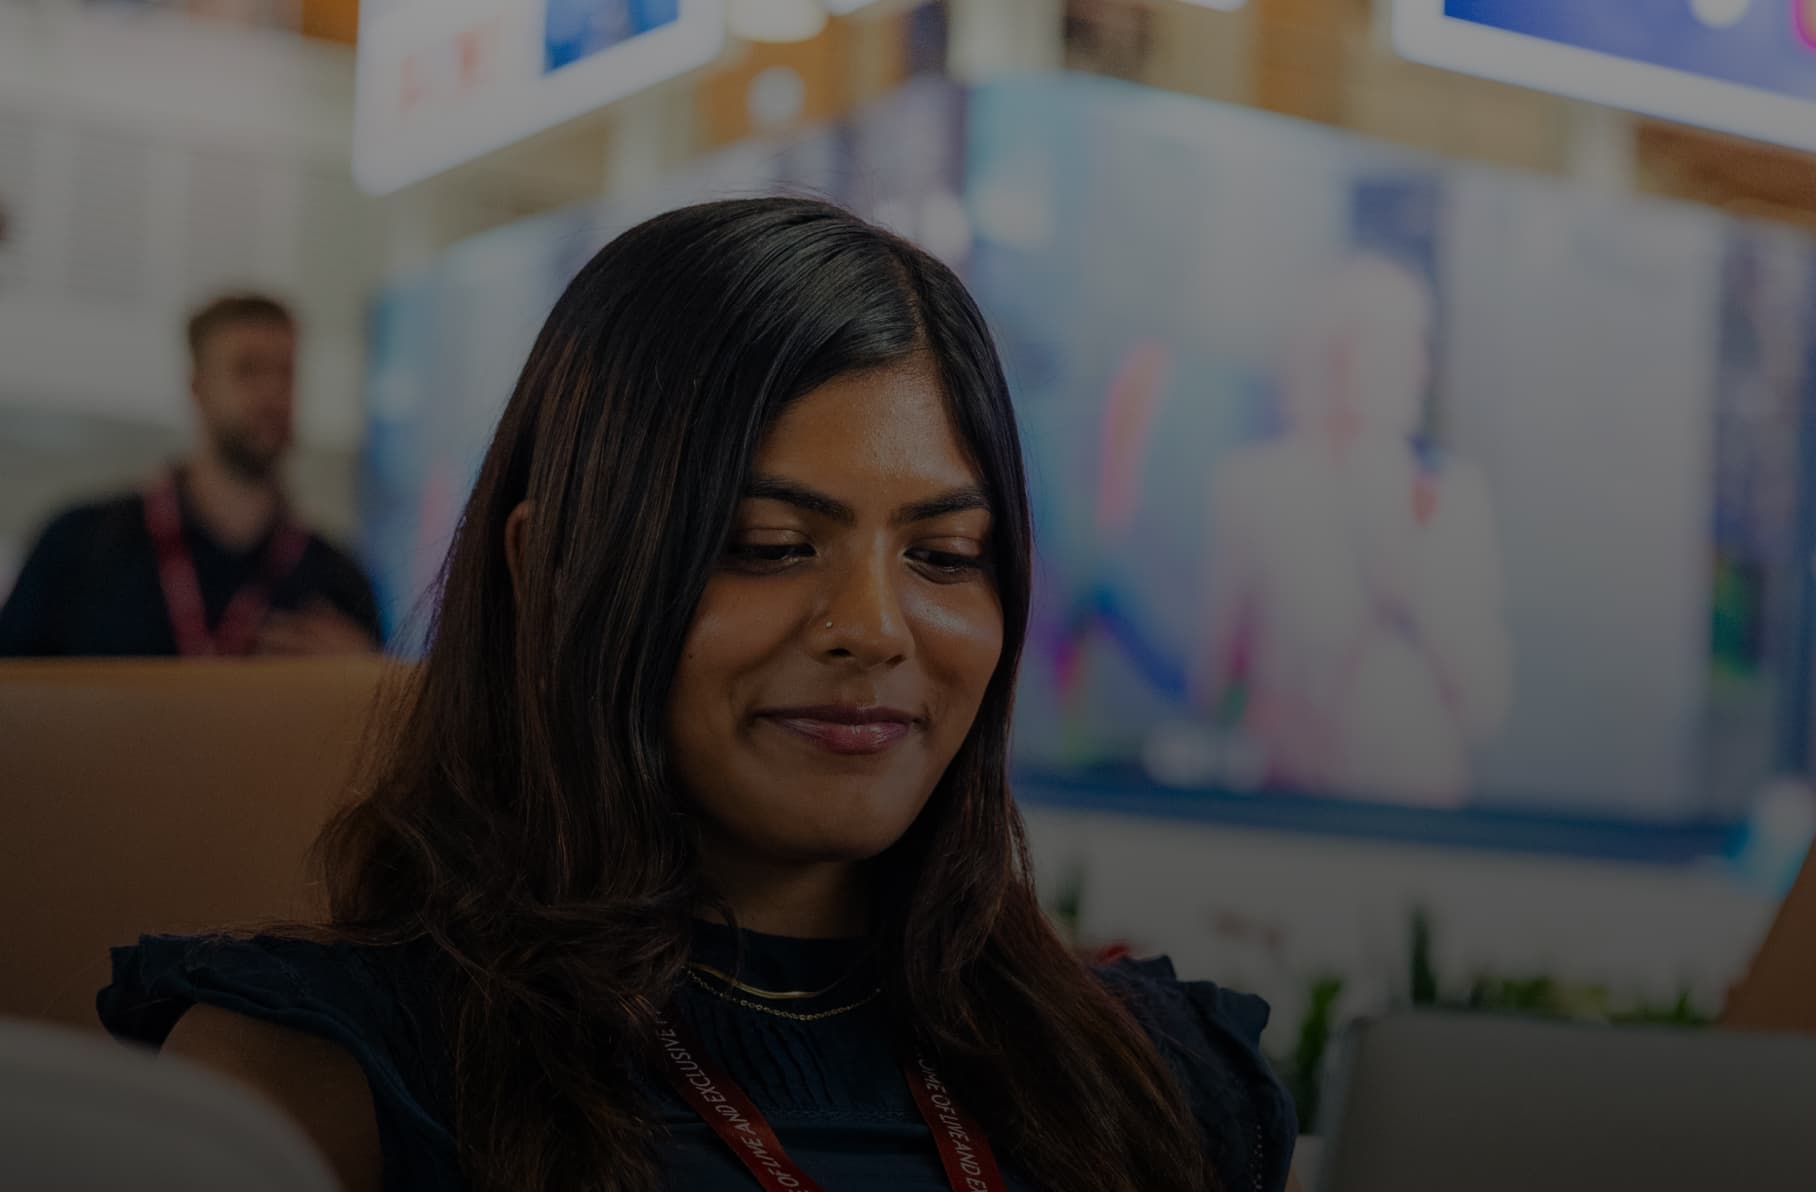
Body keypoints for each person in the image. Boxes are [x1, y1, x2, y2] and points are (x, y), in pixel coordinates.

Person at [99, 200, 1295, 1192]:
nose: (875, 629)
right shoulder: (325, 1084)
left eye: (944, 556)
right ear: (547, 572)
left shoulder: (1153, 1083)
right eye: (770, 544)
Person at [1191, 250, 1514, 808]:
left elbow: (1486, 707)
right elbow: (1214, 687)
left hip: (1423, 824)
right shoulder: (1253, 490)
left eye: (1419, 346)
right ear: (1334, 355)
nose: (1418, 368)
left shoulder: (1450, 497)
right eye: (1397, 344)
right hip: (1290, 819)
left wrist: (1414, 593)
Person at [0, 293, 381, 657]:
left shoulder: (336, 580)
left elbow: (392, 712)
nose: (272, 391)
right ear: (197, 388)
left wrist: (365, 678)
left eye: (285, 371)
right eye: (246, 369)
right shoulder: (80, 546)